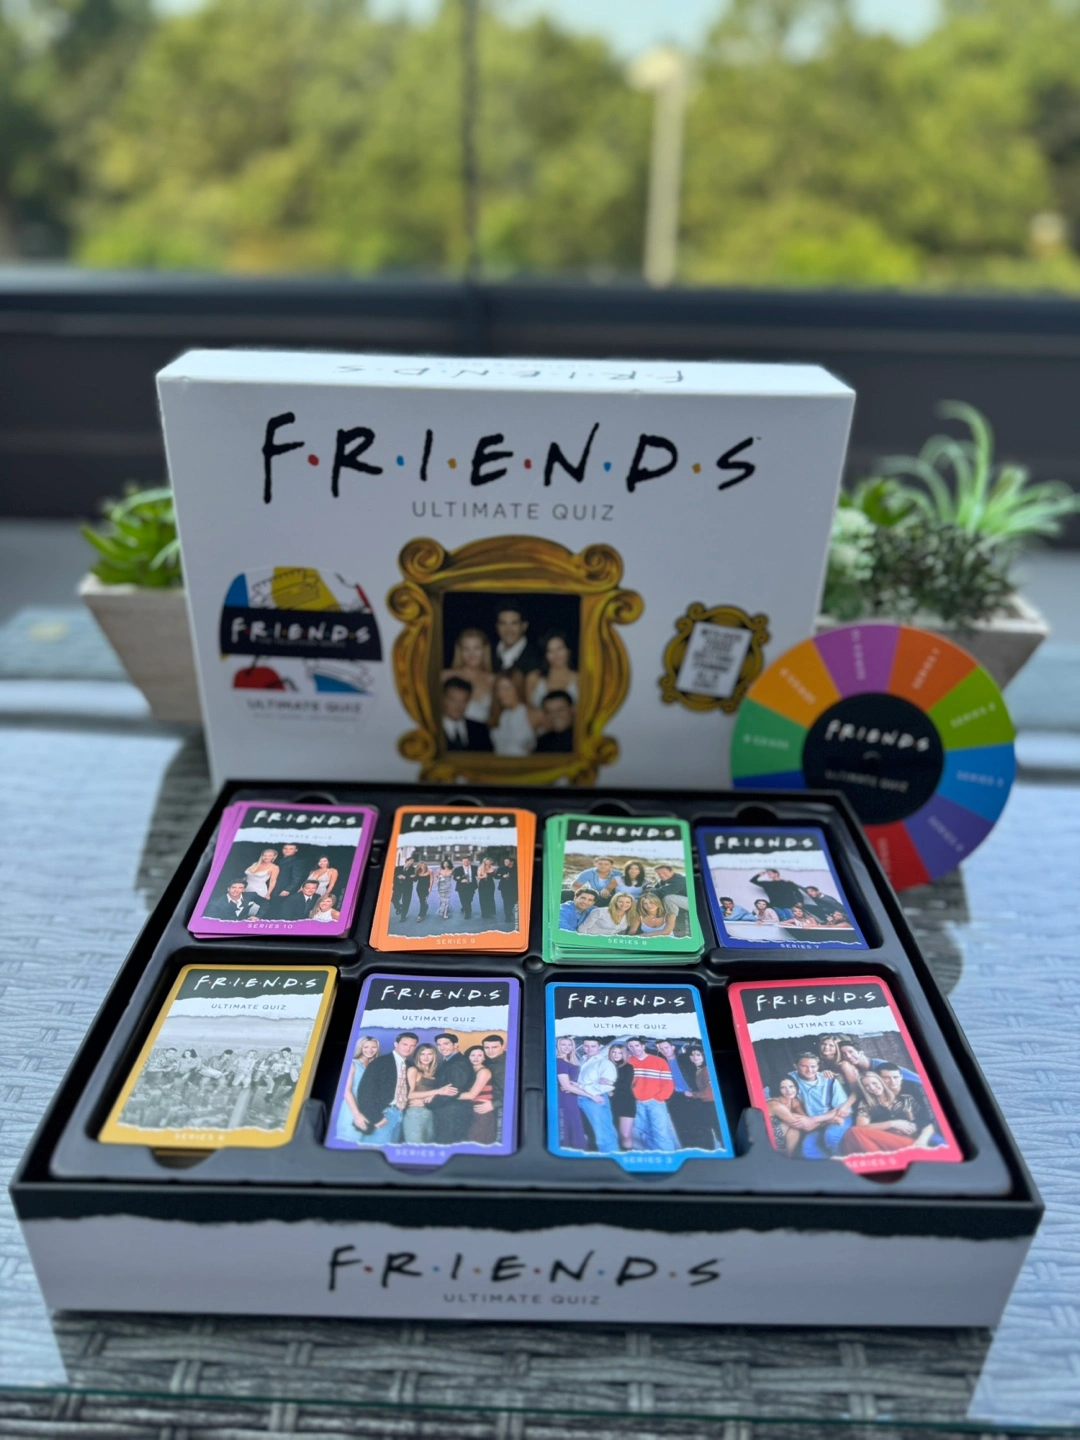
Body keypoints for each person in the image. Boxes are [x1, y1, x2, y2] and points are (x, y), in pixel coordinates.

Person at [840, 1069, 935, 1154]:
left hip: (906, 1140)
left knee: (853, 1133)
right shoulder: (866, 1104)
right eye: (867, 1086)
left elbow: (928, 1123)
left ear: (881, 1081)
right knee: (853, 1133)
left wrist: (922, 1140)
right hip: (881, 1141)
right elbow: (861, 1128)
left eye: (874, 1083)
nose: (872, 1088)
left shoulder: (906, 1099)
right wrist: (892, 1123)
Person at [353, 1031, 418, 1144]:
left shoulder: (411, 1066)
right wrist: (375, 1117)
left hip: (401, 1114)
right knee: (374, 1150)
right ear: (396, 1044)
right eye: (405, 1044)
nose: (408, 1048)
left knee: (391, 1150)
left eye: (412, 1046)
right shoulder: (379, 1063)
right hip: (383, 1114)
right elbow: (364, 1092)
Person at [786, 1052, 853, 1158]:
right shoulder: (790, 1079)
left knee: (830, 1137)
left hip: (837, 1116)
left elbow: (842, 1109)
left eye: (813, 1066)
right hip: (817, 1123)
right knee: (808, 1151)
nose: (809, 1070)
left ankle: (844, 1163)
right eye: (804, 1066)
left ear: (818, 1067)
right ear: (796, 1066)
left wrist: (813, 1120)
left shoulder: (829, 1081)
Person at [625, 1038, 679, 1151]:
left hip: (655, 1102)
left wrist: (659, 1097)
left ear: (643, 1046)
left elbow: (668, 1083)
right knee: (644, 1131)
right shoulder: (627, 1061)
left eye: (636, 1045)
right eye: (631, 1046)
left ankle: (667, 1156)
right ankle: (655, 1155)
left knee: (661, 1132)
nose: (634, 1048)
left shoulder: (659, 1061)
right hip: (636, 1103)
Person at [402, 1044, 458, 1143]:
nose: (426, 1057)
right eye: (422, 1054)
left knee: (429, 1145)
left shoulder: (437, 1072)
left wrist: (433, 1095)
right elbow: (410, 1095)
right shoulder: (413, 1070)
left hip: (431, 1112)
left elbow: (443, 1092)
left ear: (434, 1056)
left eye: (429, 1054)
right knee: (415, 1145)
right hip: (415, 1113)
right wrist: (438, 1091)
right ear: (417, 1056)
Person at [442, 627, 495, 723]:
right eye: (466, 649)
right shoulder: (445, 676)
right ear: (460, 651)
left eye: (476, 648)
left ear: (485, 650)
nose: (471, 654)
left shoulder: (494, 680)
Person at [576, 1037, 619, 1152]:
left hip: (595, 1100)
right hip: (577, 1098)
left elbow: (607, 1086)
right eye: (586, 1046)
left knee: (603, 1134)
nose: (589, 1049)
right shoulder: (581, 1061)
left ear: (599, 1047)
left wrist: (580, 1086)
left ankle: (611, 1158)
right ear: (583, 1047)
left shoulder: (605, 1063)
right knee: (585, 1133)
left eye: (593, 1046)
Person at [429, 1032, 474, 1144]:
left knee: (448, 1144)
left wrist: (429, 1103)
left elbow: (453, 1091)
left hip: (453, 1113)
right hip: (448, 1111)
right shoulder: (449, 1061)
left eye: (446, 1044)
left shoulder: (459, 1063)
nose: (442, 1047)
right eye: (439, 1045)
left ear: (455, 1045)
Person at [336, 1036, 381, 1143]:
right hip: (351, 1109)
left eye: (373, 1047)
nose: (370, 1050)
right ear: (360, 1048)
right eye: (366, 1047)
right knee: (349, 1140)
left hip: (368, 1109)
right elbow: (346, 1091)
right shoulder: (352, 1064)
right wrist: (357, 1115)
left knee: (363, 1143)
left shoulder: (374, 1066)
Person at [525, 631, 579, 718]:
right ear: (545, 655)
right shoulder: (534, 678)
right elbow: (527, 711)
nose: (556, 655)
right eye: (550, 651)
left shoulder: (580, 679)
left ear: (568, 650)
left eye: (560, 648)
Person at [656, 1038, 697, 1148]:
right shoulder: (661, 1064)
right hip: (675, 1098)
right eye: (661, 1049)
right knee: (681, 1127)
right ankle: (687, 1148)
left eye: (666, 1047)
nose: (665, 1050)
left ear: (673, 1047)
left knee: (696, 1124)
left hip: (692, 1095)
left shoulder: (685, 1059)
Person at [489, 670, 536, 757]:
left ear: (518, 688)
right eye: (498, 689)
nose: (501, 694)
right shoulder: (498, 715)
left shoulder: (531, 714)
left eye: (507, 688)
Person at [441, 677, 494, 752]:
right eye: (453, 700)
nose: (458, 706)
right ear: (443, 699)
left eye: (463, 701)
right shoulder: (432, 729)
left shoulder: (480, 730)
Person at [554, 1036, 588, 1150]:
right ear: (558, 1046)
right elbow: (566, 1086)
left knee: (574, 1125)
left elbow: (573, 1083)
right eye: (563, 1044)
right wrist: (591, 1095)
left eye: (569, 1045)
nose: (567, 1047)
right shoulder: (560, 1062)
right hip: (565, 1098)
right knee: (568, 1125)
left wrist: (577, 1085)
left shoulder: (571, 1061)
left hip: (572, 1097)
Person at [494, 601, 543, 677]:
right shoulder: (488, 655)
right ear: (497, 626)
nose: (508, 630)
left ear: (524, 626)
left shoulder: (538, 658)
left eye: (514, 623)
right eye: (503, 623)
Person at [462, 1045, 497, 1145]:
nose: (476, 1058)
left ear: (484, 1058)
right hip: (470, 1109)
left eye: (480, 1055)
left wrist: (446, 1095)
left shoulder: (484, 1072)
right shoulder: (468, 1071)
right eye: (473, 1055)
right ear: (468, 1057)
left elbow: (471, 1095)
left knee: (477, 1141)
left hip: (482, 1110)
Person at [767, 1075, 809, 1155]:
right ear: (778, 1089)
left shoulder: (794, 1101)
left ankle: (788, 1157)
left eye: (791, 1086)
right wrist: (826, 1119)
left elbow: (806, 1119)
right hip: (769, 1139)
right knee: (795, 1122)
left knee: (795, 1129)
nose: (788, 1090)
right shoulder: (775, 1104)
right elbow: (804, 1124)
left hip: (783, 1137)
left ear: (796, 1087)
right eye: (783, 1087)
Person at [607, 1042, 637, 1150]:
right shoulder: (605, 1066)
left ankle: (628, 1156)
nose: (616, 1055)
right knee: (613, 1135)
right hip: (609, 1104)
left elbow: (625, 1085)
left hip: (625, 1102)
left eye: (619, 1053)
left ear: (624, 1054)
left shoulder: (628, 1067)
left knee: (625, 1135)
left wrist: (609, 1085)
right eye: (614, 1052)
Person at [653, 864, 690, 936]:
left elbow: (661, 892)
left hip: (693, 903)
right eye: (659, 874)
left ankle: (670, 922)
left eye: (664, 872)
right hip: (683, 901)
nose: (662, 875)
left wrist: (649, 893)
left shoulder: (679, 880)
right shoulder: (664, 880)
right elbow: (654, 887)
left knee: (669, 898)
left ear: (672, 871)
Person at [271, 842, 308, 913]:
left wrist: (288, 889)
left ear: (296, 850)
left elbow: (297, 878)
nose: (287, 850)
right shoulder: (277, 859)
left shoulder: (298, 861)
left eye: (291, 849)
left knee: (279, 909)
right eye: (285, 848)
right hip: (273, 887)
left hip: (283, 889)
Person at [482, 1034, 507, 1115]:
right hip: (488, 1106)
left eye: (494, 1047)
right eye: (487, 1048)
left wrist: (494, 1104)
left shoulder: (509, 1063)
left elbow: (514, 1091)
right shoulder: (485, 1061)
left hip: (503, 1108)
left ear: (503, 1046)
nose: (490, 1051)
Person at [452, 854, 478, 920]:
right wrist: (461, 880)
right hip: (461, 887)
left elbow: (479, 874)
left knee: (469, 899)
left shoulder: (475, 868)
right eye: (464, 861)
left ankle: (464, 906)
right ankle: (468, 913)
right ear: (462, 862)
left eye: (467, 861)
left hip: (471, 886)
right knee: (463, 899)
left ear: (469, 861)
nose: (465, 862)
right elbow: (455, 877)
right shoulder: (458, 869)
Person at [498, 856, 518, 925]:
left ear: (511, 862)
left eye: (507, 861)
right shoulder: (501, 868)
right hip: (504, 888)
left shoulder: (516, 869)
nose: (505, 863)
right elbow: (496, 876)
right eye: (504, 861)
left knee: (513, 901)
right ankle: (507, 917)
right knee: (506, 902)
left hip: (514, 888)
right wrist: (502, 876)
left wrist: (511, 876)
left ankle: (509, 910)